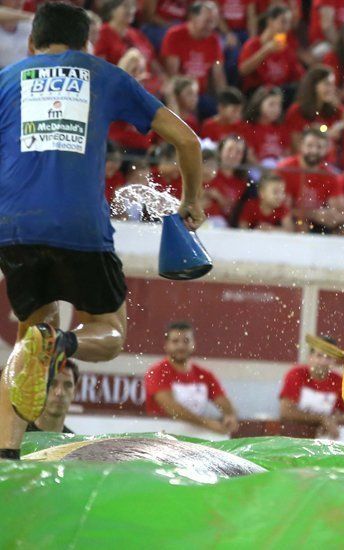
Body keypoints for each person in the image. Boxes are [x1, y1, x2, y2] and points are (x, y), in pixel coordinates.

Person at [0, 2, 204, 462]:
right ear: (86, 44)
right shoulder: (103, 74)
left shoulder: (7, 79)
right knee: (108, 332)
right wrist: (192, 201)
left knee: (29, 338)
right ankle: (64, 343)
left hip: (14, 227)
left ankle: (6, 457)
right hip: (80, 226)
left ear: (33, 43)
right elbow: (187, 140)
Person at [144, 321, 239, 435]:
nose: (181, 346)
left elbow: (223, 403)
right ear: (166, 345)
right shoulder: (157, 372)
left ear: (193, 344)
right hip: (162, 438)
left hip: (196, 439)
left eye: (186, 341)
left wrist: (230, 416)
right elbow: (171, 408)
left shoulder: (205, 375)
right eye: (175, 341)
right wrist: (208, 424)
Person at [279, 128, 344, 233]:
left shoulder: (330, 175)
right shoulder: (285, 169)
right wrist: (313, 214)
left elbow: (340, 211)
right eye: (310, 146)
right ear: (301, 146)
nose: (314, 151)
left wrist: (332, 217)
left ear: (327, 149)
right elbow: (280, 209)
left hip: (318, 223)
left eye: (319, 147)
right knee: (301, 226)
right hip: (290, 221)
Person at [160, 1, 226, 117]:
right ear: (193, 17)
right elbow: (173, 75)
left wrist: (225, 101)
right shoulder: (175, 35)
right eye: (207, 21)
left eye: (213, 22)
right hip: (181, 93)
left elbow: (218, 75)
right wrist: (189, 97)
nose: (210, 26)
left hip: (201, 95)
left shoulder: (214, 40)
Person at [279, 335, 344, 438]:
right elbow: (286, 411)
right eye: (319, 356)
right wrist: (321, 419)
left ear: (334, 360)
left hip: (325, 441)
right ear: (310, 357)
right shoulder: (295, 374)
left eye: (328, 357)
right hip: (293, 438)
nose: (323, 361)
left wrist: (333, 419)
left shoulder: (340, 382)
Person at [25, 360, 79, 434]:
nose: (60, 392)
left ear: (74, 393)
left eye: (68, 385)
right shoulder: (19, 436)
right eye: (52, 383)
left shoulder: (74, 443)